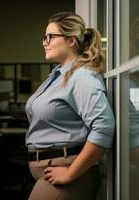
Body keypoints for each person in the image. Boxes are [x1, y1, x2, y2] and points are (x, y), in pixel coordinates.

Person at [25, 12, 115, 200]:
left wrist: (70, 173)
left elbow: (104, 126)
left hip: (71, 175)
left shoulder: (82, 77)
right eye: (44, 37)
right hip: (51, 174)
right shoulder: (57, 75)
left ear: (71, 40)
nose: (44, 42)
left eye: (50, 37)